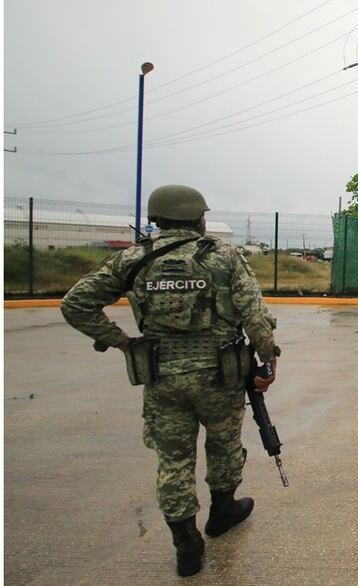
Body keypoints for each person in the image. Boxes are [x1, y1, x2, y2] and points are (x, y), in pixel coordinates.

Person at [60, 185, 280, 577]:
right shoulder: (223, 257)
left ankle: (187, 546)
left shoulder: (133, 258)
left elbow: (75, 303)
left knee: (173, 461)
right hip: (220, 377)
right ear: (197, 218)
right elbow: (254, 314)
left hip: (162, 377)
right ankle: (222, 512)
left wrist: (123, 342)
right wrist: (268, 360)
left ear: (157, 218)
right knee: (224, 445)